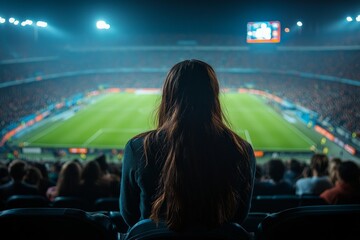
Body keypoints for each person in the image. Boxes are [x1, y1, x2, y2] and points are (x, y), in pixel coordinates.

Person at [120, 59, 256, 231]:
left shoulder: (138, 147)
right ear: (213, 95)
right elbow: (239, 216)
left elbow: (129, 215)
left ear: (168, 95)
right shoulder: (241, 149)